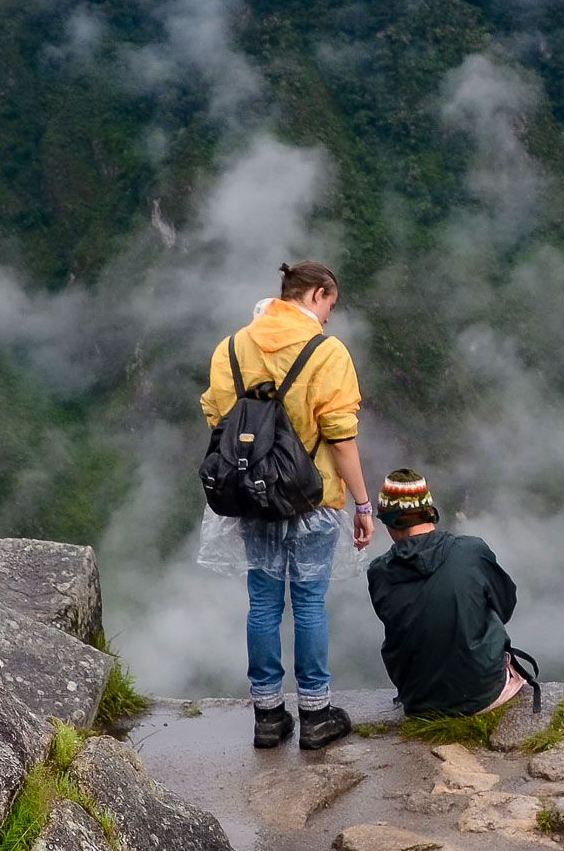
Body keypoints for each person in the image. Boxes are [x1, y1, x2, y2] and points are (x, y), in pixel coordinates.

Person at [200, 260, 373, 750]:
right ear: (317, 294)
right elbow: (341, 438)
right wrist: (363, 504)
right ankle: (316, 715)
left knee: (262, 602)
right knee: (310, 602)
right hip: (312, 495)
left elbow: (218, 416)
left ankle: (268, 715)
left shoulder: (232, 346)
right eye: (330, 305)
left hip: (252, 493)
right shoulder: (327, 352)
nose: (329, 317)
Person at [365, 468, 535, 719]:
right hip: (482, 693)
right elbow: (505, 606)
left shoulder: (378, 572)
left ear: (390, 521)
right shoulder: (471, 552)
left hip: (419, 701)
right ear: (430, 512)